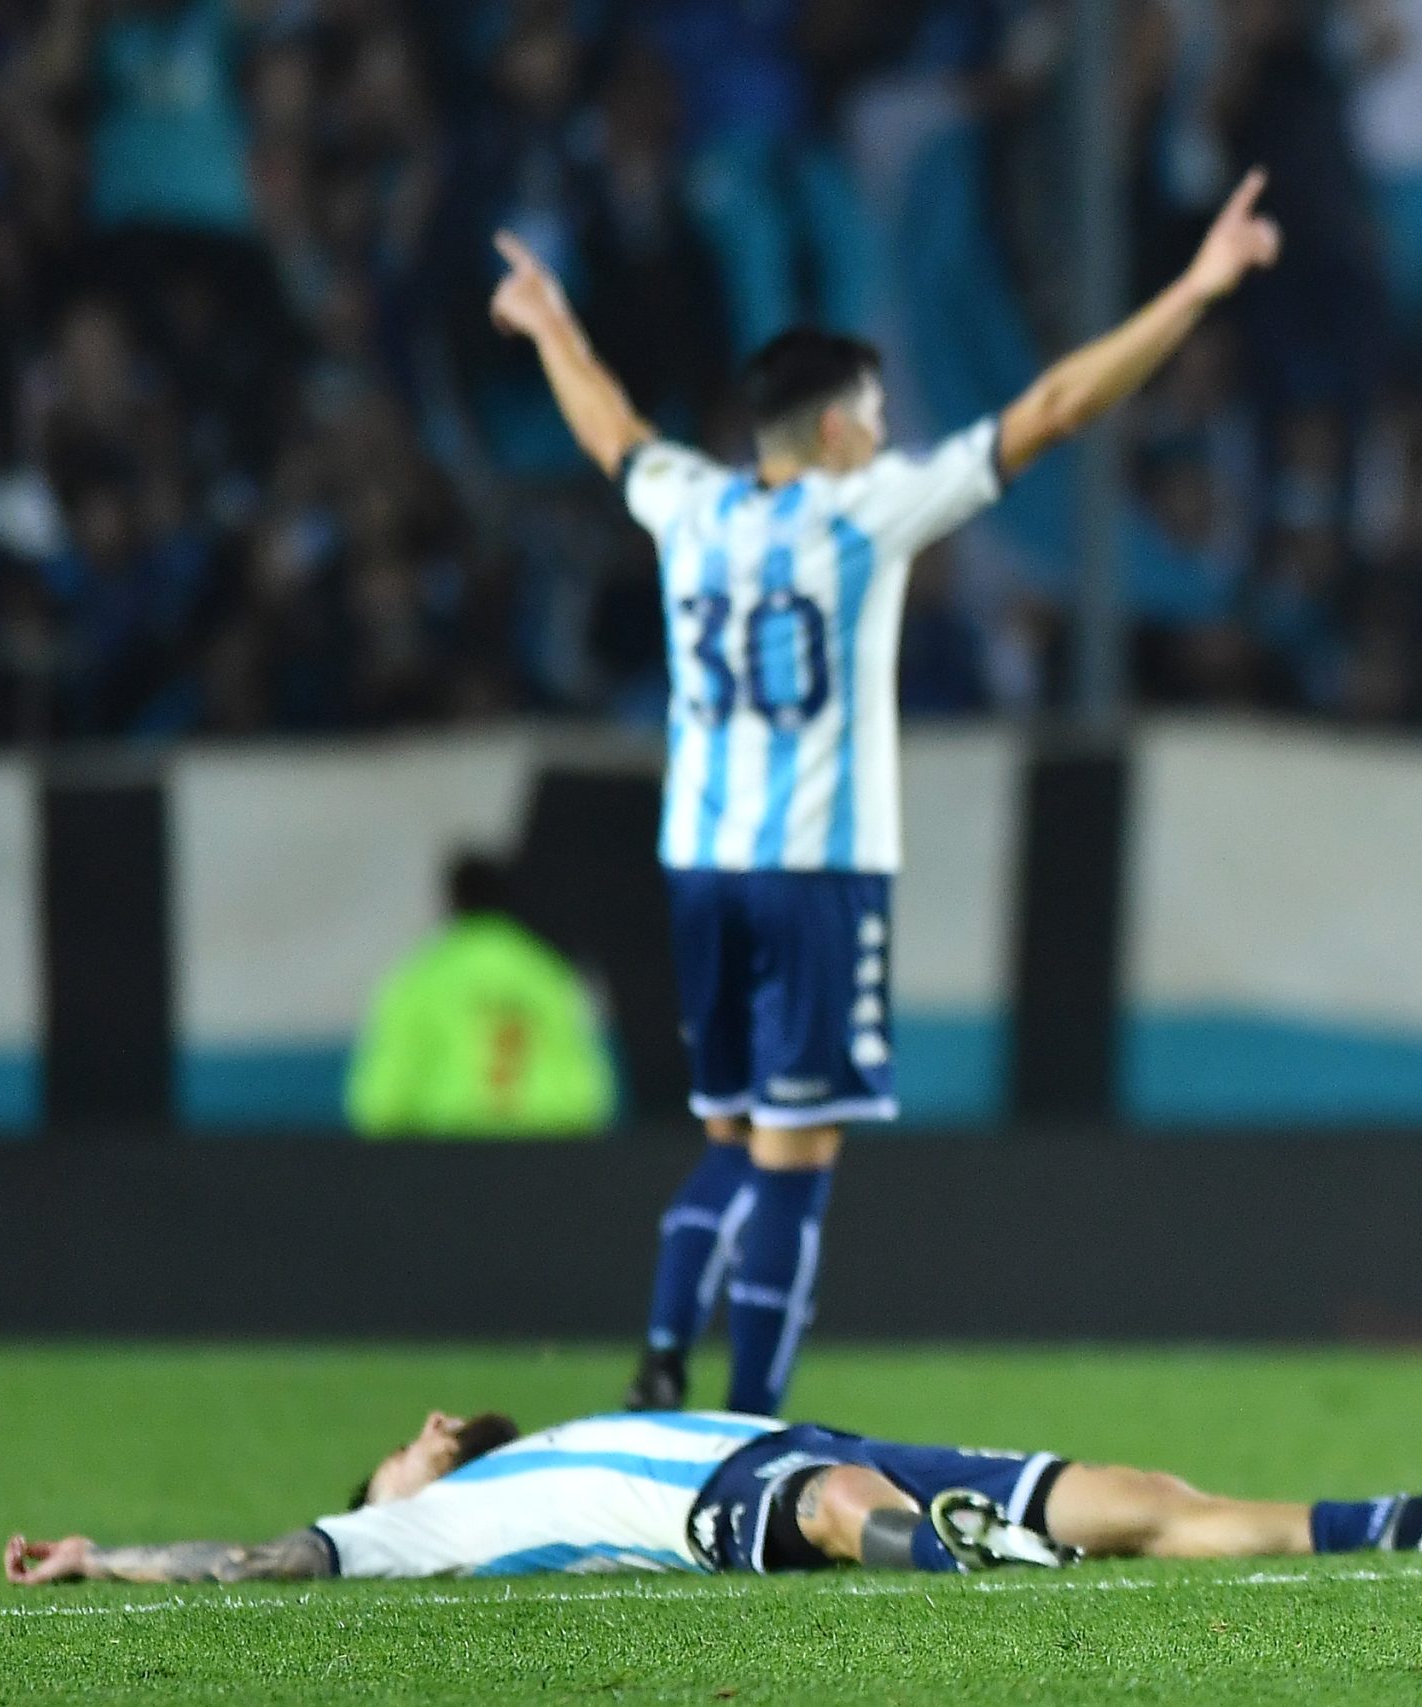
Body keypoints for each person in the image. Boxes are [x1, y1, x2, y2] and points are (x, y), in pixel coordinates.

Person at [485, 173, 1283, 1419]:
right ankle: (751, 1416)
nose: (881, 428)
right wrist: (1195, 286)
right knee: (800, 1165)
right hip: (819, 873)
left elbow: (607, 431)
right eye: (872, 413)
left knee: (729, 1138)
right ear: (840, 429)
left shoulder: (687, 504)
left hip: (700, 865)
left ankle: (657, 1348)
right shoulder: (865, 513)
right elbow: (1057, 406)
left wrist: (550, 328)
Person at [3, 1401, 1422, 1585]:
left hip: (810, 1433)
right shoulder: (410, 1529)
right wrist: (99, 1555)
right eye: (402, 1441)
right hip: (728, 1500)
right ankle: (953, 1562)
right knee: (825, 1507)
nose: (419, 1432)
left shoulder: (560, 1424)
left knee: (1143, 1491)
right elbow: (261, 1558)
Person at [345, 854, 619, 1138]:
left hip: (445, 1156)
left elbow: (381, 1099)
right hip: (541, 1155)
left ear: (452, 901)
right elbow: (589, 1093)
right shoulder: (546, 974)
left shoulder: (421, 979)